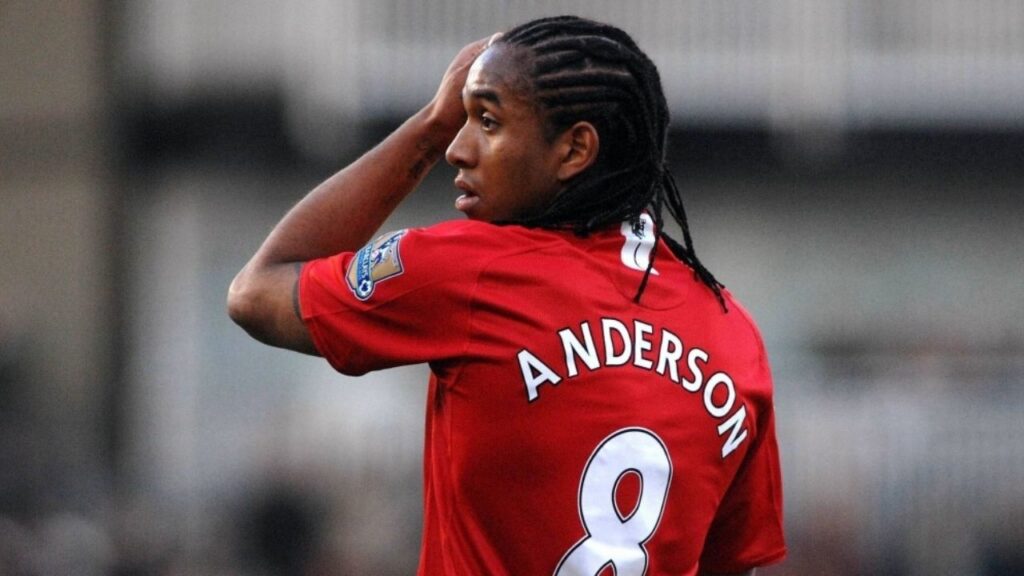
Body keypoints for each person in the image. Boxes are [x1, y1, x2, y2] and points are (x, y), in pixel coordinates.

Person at [228, 15, 785, 576]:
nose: (458, 149)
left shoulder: (467, 270)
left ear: (574, 150)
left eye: (487, 121)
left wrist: (429, 125)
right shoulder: (733, 333)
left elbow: (256, 291)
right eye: (460, 120)